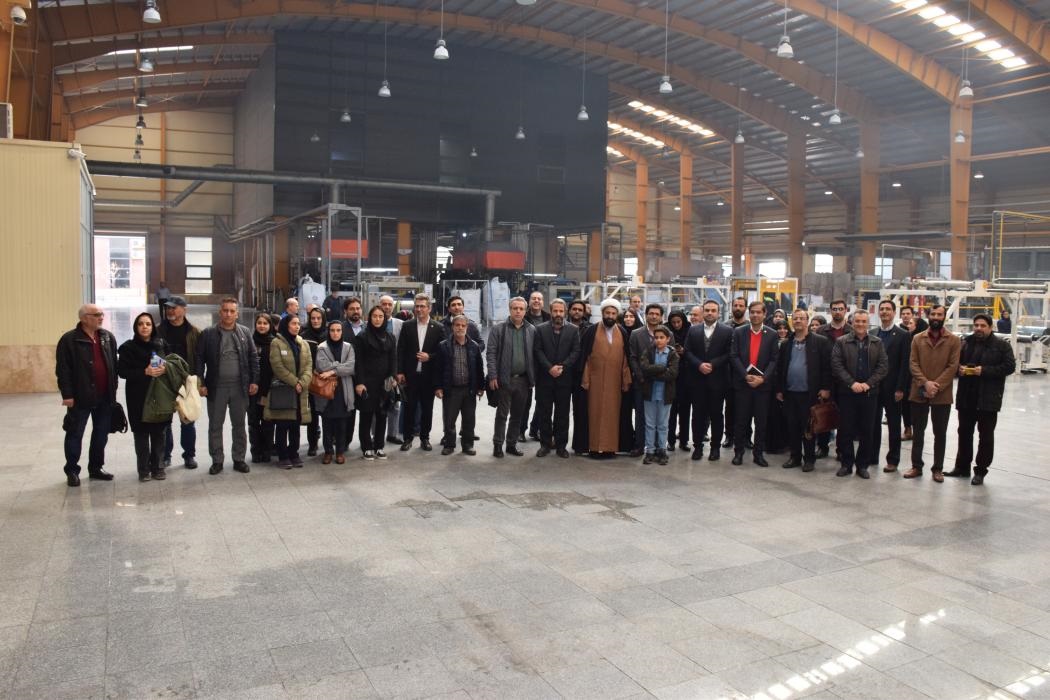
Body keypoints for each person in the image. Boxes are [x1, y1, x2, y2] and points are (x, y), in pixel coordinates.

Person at [947, 314, 1016, 485]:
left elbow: (1009, 367)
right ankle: (962, 467)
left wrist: (983, 371)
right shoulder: (966, 343)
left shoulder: (1001, 346)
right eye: (976, 325)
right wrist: (959, 369)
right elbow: (954, 363)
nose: (978, 328)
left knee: (985, 437)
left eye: (983, 325)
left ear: (990, 327)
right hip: (966, 397)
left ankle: (980, 471)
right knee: (964, 433)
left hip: (988, 399)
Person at [57, 304, 119, 486]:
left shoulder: (107, 337)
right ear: (84, 318)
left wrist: (113, 390)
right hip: (80, 397)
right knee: (75, 433)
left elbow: (113, 366)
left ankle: (96, 467)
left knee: (101, 434)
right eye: (96, 314)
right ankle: (72, 470)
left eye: (102, 314)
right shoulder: (69, 340)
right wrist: (67, 395)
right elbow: (63, 369)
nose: (101, 317)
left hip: (104, 396)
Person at [196, 297, 259, 475]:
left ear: (237, 314)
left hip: (240, 387)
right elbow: (199, 359)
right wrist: (200, 383)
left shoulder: (245, 332)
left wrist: (254, 381)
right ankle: (217, 460)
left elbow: (253, 358)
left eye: (232, 311)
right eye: (225, 310)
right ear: (220, 312)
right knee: (215, 425)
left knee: (239, 425)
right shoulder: (208, 334)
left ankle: (239, 459)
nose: (228, 314)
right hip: (217, 388)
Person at [903, 304, 961, 483]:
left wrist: (936, 386)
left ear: (944, 317)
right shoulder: (917, 338)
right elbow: (913, 363)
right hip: (919, 391)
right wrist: (925, 383)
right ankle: (916, 466)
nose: (936, 317)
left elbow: (953, 366)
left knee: (940, 433)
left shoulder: (953, 340)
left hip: (942, 395)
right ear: (928, 316)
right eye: (933, 314)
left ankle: (937, 469)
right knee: (918, 432)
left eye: (939, 314)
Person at [830, 310, 888, 479]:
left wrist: (868, 384)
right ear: (852, 323)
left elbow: (883, 366)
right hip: (847, 393)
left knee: (867, 431)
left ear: (868, 323)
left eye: (864, 321)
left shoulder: (877, 342)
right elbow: (836, 365)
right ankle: (846, 464)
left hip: (870, 394)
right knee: (846, 430)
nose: (860, 324)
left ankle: (863, 465)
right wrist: (852, 383)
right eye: (857, 321)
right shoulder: (841, 342)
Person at [775, 309, 831, 472]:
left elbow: (827, 368)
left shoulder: (820, 342)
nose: (798, 321)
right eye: (795, 318)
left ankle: (809, 459)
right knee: (792, 426)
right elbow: (780, 368)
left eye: (801, 318)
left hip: (810, 393)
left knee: (809, 428)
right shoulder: (786, 344)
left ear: (807, 321)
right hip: (790, 393)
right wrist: (780, 389)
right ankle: (795, 457)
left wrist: (825, 388)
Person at [117, 313, 171, 481]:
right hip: (137, 396)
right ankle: (143, 470)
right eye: (141, 324)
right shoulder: (128, 348)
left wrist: (166, 369)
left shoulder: (161, 344)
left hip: (159, 395)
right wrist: (144, 372)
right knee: (141, 434)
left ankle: (158, 467)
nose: (144, 327)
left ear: (152, 327)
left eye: (148, 324)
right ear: (136, 327)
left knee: (159, 433)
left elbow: (171, 363)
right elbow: (122, 372)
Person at [729, 301, 779, 467]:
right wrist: (745, 376)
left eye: (759, 312)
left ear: (764, 314)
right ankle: (738, 453)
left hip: (762, 387)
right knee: (740, 421)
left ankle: (758, 455)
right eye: (752, 312)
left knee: (761, 422)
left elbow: (774, 359)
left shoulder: (772, 334)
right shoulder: (739, 332)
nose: (755, 315)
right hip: (743, 385)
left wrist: (763, 378)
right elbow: (734, 356)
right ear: (748, 314)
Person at [580, 299, 632, 457]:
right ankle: (594, 447)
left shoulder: (622, 332)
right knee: (594, 414)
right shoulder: (591, 331)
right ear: (602, 313)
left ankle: (610, 447)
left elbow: (626, 358)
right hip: (594, 382)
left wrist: (626, 380)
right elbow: (585, 358)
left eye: (613, 313)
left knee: (613, 415)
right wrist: (585, 379)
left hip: (615, 382)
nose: (610, 316)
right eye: (607, 313)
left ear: (617, 315)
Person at [683, 300, 733, 461]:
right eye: (707, 310)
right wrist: (699, 365)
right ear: (703, 312)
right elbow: (687, 351)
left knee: (716, 415)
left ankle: (715, 448)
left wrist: (713, 364)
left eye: (713, 310)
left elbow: (730, 353)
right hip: (697, 380)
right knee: (697, 415)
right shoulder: (693, 330)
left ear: (718, 313)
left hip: (718, 381)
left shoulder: (727, 331)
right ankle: (697, 447)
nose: (710, 313)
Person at [487, 297, 536, 458]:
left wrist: (533, 378)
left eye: (521, 309)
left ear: (525, 311)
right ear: (510, 309)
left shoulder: (531, 330)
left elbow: (535, 355)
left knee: (517, 415)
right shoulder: (498, 329)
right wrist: (493, 375)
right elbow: (491, 353)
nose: (518, 311)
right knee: (502, 415)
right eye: (515, 308)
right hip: (504, 379)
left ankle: (511, 444)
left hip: (523, 381)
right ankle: (498, 445)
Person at [155, 295, 201, 469]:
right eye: (168, 308)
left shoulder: (194, 332)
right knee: (165, 422)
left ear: (184, 310)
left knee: (187, 420)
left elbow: (200, 358)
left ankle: (189, 455)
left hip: (186, 381)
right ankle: (166, 455)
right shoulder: (158, 331)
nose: (170, 311)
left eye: (173, 308)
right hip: (164, 381)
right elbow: (153, 354)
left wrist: (198, 381)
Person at [397, 293, 445, 452]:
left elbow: (442, 353)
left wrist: (429, 357)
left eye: (422, 306)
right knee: (409, 408)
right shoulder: (407, 326)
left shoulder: (438, 328)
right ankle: (408, 438)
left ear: (429, 308)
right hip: (410, 376)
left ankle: (425, 438)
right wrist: (400, 371)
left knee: (427, 409)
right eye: (417, 306)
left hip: (428, 377)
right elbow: (401, 350)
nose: (419, 309)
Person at [533, 299, 580, 458]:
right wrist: (549, 368)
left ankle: (561, 446)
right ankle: (545, 445)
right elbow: (538, 351)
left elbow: (575, 352)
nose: (558, 314)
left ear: (565, 312)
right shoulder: (540, 329)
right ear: (551, 311)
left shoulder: (573, 330)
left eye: (561, 311)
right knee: (544, 414)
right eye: (555, 311)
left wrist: (562, 367)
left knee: (562, 415)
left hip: (564, 380)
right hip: (544, 379)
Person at [266, 315, 313, 469]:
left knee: (295, 425)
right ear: (286, 325)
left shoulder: (303, 343)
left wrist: (302, 382)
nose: (297, 326)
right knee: (282, 425)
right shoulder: (277, 343)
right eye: (293, 323)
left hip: (300, 391)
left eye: (298, 324)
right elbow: (277, 366)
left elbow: (309, 366)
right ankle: (283, 456)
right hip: (284, 390)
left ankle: (294, 453)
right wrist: (295, 382)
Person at [434, 314, 485, 456]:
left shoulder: (474, 346)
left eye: (463, 325)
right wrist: (438, 387)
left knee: (469, 420)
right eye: (457, 325)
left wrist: (481, 387)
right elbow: (437, 369)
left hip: (469, 390)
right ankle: (449, 445)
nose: (460, 328)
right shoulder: (443, 346)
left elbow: (479, 368)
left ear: (467, 327)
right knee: (449, 420)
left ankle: (468, 445)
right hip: (451, 390)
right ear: (452, 327)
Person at [353, 305, 397, 460]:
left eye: (380, 316)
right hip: (367, 382)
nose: (377, 319)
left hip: (384, 383)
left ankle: (379, 446)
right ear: (369, 318)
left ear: (384, 318)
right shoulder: (362, 337)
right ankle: (366, 447)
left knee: (382, 415)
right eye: (374, 316)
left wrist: (393, 378)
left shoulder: (390, 337)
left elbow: (393, 359)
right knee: (366, 415)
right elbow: (358, 362)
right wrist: (359, 383)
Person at [873, 300, 912, 473]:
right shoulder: (873, 333)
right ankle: (872, 456)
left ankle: (893, 460)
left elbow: (905, 364)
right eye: (882, 309)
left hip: (893, 388)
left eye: (888, 309)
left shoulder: (903, 335)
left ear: (894, 313)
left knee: (894, 425)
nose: (884, 312)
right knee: (873, 424)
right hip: (874, 387)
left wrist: (900, 388)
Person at [627, 303, 666, 458]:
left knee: (659, 417)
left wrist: (661, 376)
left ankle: (657, 447)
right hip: (641, 381)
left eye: (657, 314)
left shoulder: (667, 333)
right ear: (646, 315)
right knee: (641, 415)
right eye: (651, 313)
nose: (654, 316)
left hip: (661, 383)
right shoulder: (636, 334)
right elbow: (633, 357)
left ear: (661, 317)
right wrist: (640, 376)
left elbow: (670, 357)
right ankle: (639, 445)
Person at [314, 320, 355, 464]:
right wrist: (340, 366)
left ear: (342, 332)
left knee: (342, 425)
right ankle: (328, 452)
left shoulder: (348, 347)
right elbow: (321, 366)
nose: (335, 333)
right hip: (326, 391)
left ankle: (340, 452)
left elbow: (351, 367)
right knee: (327, 424)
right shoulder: (322, 347)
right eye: (332, 330)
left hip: (343, 391)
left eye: (338, 330)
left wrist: (332, 371)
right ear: (328, 331)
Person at [638, 325, 679, 465]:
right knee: (650, 424)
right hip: (650, 393)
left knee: (662, 424)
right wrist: (661, 368)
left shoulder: (673, 354)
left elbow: (672, 374)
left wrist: (653, 374)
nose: (659, 340)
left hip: (665, 395)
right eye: (656, 337)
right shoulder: (648, 352)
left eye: (662, 337)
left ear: (668, 339)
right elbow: (644, 368)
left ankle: (662, 450)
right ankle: (649, 450)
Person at [248, 313, 276, 463]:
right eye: (259, 323)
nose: (262, 326)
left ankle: (267, 450)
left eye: (265, 323)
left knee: (268, 421)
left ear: (270, 326)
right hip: (252, 390)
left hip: (268, 390)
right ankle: (255, 450)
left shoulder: (275, 343)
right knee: (253, 421)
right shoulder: (249, 341)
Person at [301, 307, 327, 457]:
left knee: (327, 413)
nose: (316, 321)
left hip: (327, 380)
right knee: (312, 415)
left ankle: (329, 441)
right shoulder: (304, 336)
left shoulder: (329, 334)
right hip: (310, 380)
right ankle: (312, 443)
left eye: (319, 318)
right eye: (313, 318)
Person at [723, 296, 749, 450]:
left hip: (745, 372)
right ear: (732, 307)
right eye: (735, 305)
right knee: (730, 407)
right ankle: (729, 436)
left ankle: (746, 437)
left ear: (745, 308)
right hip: (727, 372)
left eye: (741, 305)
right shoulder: (725, 326)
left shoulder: (750, 326)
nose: (738, 308)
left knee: (746, 407)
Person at [379, 295, 405, 445]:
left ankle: (392, 434)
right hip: (377, 372)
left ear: (393, 306)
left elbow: (402, 348)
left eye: (390, 304)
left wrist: (398, 373)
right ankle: (376, 435)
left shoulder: (400, 324)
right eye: (384, 304)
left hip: (394, 370)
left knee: (395, 404)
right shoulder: (371, 323)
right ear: (379, 305)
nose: (387, 307)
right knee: (377, 405)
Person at [666, 310, 691, 451]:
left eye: (678, 322)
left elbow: (694, 350)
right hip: (671, 377)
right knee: (671, 412)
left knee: (685, 411)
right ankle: (670, 441)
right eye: (673, 322)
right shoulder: (666, 331)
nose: (676, 325)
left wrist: (684, 352)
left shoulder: (690, 331)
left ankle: (684, 440)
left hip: (686, 377)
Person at [765, 320, 791, 454]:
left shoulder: (791, 343)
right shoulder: (770, 342)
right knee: (771, 416)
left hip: (785, 384)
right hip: (770, 383)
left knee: (785, 416)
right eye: (779, 328)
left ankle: (784, 443)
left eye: (785, 328)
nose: (782, 331)